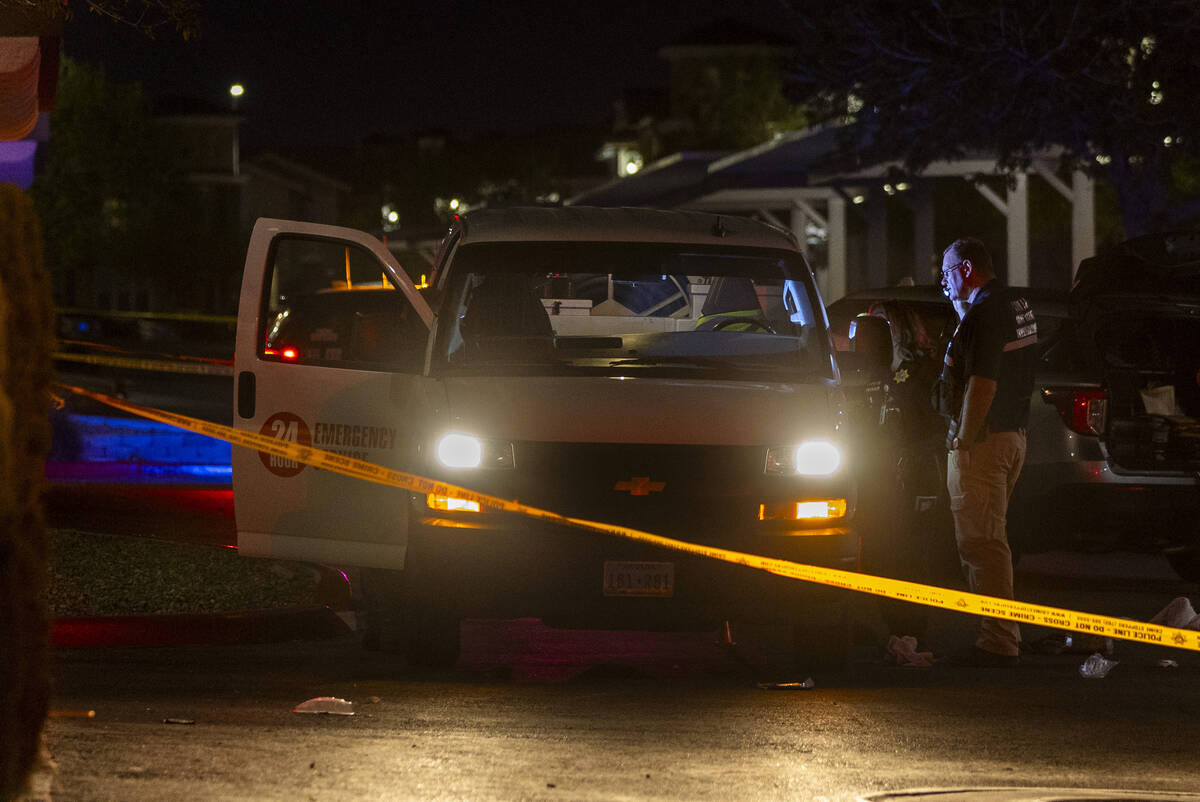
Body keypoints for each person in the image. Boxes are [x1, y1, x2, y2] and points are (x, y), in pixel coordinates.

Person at [937, 237, 1037, 667]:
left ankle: (998, 642)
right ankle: (1000, 633)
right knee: (989, 540)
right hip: (1010, 437)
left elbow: (983, 382)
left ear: (965, 269)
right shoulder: (1014, 305)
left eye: (946, 273)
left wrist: (963, 436)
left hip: (984, 441)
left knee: (982, 545)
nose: (941, 282)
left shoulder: (985, 313)